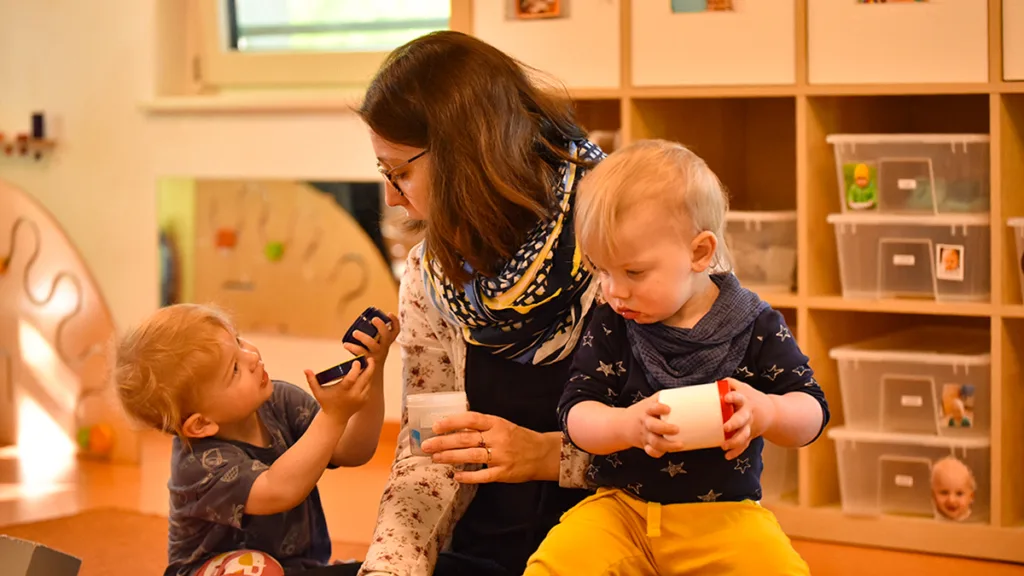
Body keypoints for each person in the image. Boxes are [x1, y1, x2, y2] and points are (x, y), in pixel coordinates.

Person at [352, 30, 607, 576]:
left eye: (400, 172)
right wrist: (392, 566)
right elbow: (429, 453)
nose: (394, 199)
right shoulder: (429, 272)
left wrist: (546, 456)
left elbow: (695, 444)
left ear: (467, 153)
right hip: (492, 544)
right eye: (385, 174)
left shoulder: (623, 241)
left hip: (621, 536)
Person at [523, 139, 830, 575]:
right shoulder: (612, 323)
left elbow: (812, 411)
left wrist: (767, 410)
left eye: (633, 272)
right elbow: (575, 414)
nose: (614, 291)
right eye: (601, 270)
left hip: (724, 515)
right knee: (558, 562)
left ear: (699, 253)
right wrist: (626, 425)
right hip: (622, 510)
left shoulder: (756, 325)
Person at [111, 302, 398, 575]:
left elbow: (352, 451)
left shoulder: (279, 401)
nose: (252, 357)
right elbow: (278, 489)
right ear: (201, 424)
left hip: (296, 568)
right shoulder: (198, 465)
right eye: (234, 369)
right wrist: (333, 417)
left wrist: (374, 369)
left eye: (238, 341)